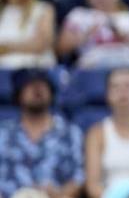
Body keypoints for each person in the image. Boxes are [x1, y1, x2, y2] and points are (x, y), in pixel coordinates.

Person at [0, 69, 84, 197]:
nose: (37, 89)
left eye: (43, 85)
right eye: (29, 85)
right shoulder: (3, 132)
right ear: (18, 93)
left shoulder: (70, 133)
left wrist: (60, 194)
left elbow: (80, 177)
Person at [84, 68, 129, 198]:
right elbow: (92, 185)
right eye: (115, 87)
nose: (122, 92)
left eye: (128, 86)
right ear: (107, 95)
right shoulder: (97, 133)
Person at [0, 0, 56, 69]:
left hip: (34, 69)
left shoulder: (43, 9)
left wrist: (6, 48)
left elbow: (41, 44)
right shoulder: (2, 12)